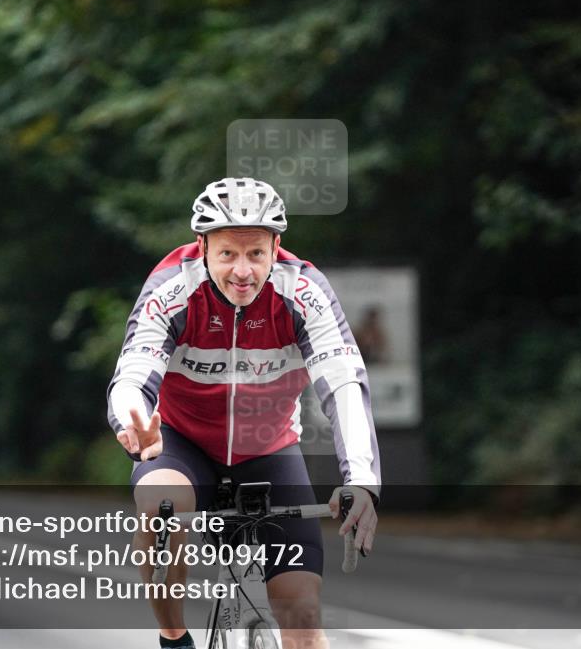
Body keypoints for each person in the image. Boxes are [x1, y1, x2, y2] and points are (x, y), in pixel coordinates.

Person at [107, 178, 381, 649]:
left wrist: (361, 481)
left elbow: (344, 387)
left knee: (303, 620)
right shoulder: (172, 288)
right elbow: (133, 373)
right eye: (227, 254)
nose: (242, 271)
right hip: (180, 442)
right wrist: (135, 426)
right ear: (202, 248)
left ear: (276, 247)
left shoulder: (303, 292)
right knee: (160, 507)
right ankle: (174, 637)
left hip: (269, 449)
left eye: (255, 253)